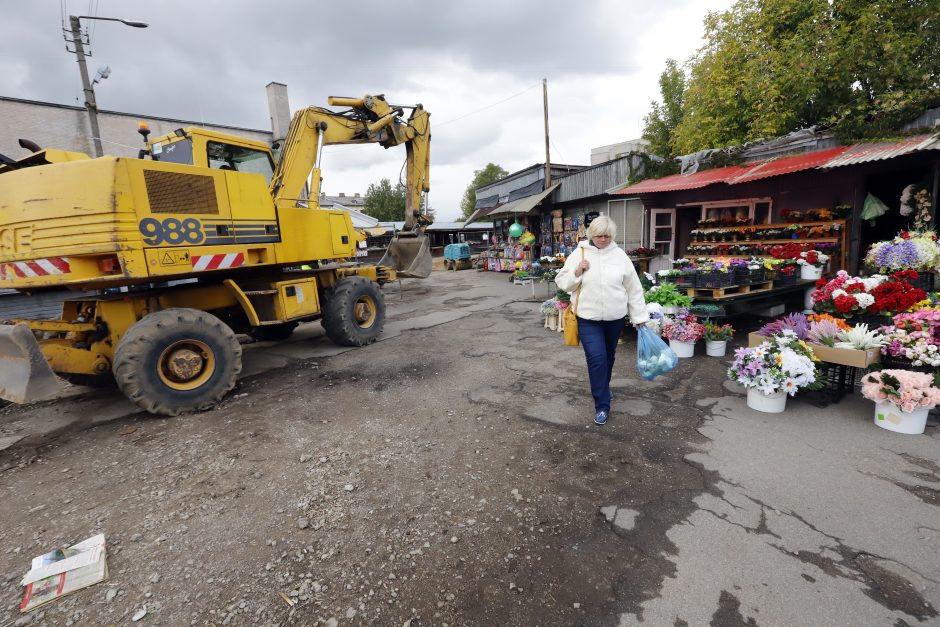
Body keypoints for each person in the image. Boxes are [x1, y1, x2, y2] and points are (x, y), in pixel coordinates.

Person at [555, 216, 649, 426]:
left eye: (607, 236)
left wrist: (640, 317)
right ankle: (602, 405)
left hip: (614, 318)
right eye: (599, 235)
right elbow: (562, 281)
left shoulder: (619, 256)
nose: (603, 239)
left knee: (608, 357)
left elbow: (633, 289)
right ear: (591, 235)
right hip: (588, 318)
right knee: (596, 358)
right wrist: (577, 271)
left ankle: (603, 388)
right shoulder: (579, 253)